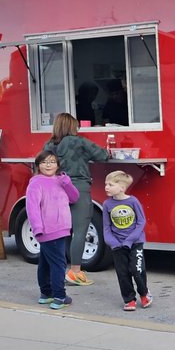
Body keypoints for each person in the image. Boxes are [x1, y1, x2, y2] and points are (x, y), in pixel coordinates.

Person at [43, 113, 110, 286]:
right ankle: (75, 272)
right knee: (80, 231)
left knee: (62, 231)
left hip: (56, 190)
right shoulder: (79, 142)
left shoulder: (49, 145)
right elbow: (103, 155)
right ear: (72, 127)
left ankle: (59, 271)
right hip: (78, 188)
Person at [26, 151, 78, 310]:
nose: (48, 165)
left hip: (62, 228)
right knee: (58, 264)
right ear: (38, 165)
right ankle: (59, 296)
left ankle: (46, 294)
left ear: (57, 165)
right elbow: (32, 208)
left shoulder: (61, 180)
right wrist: (37, 228)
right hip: (48, 230)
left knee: (46, 263)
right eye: (44, 162)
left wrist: (67, 183)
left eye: (52, 162)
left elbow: (74, 198)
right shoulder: (36, 183)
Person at [102, 170, 152, 311]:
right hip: (118, 245)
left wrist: (129, 241)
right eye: (106, 184)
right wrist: (113, 243)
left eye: (110, 184)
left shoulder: (133, 201)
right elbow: (106, 227)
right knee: (122, 273)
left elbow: (141, 222)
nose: (106, 187)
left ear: (122, 188)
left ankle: (144, 293)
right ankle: (129, 299)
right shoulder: (107, 204)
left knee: (137, 270)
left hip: (135, 243)